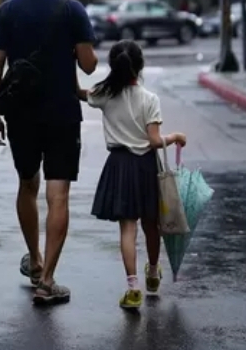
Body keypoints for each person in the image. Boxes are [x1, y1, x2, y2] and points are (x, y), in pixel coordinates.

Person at [0, 0, 98, 305]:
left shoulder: (7, 11)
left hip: (21, 114)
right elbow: (89, 65)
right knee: (58, 193)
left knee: (27, 183)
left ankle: (34, 261)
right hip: (63, 113)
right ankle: (47, 281)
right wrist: (77, 43)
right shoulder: (72, 9)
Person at [79, 40, 187, 310]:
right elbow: (154, 141)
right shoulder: (150, 99)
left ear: (113, 66)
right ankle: (153, 272)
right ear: (140, 66)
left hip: (119, 165)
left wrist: (72, 59)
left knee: (127, 228)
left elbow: (78, 93)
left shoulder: (104, 94)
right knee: (152, 225)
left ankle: (132, 288)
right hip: (146, 166)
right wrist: (175, 137)